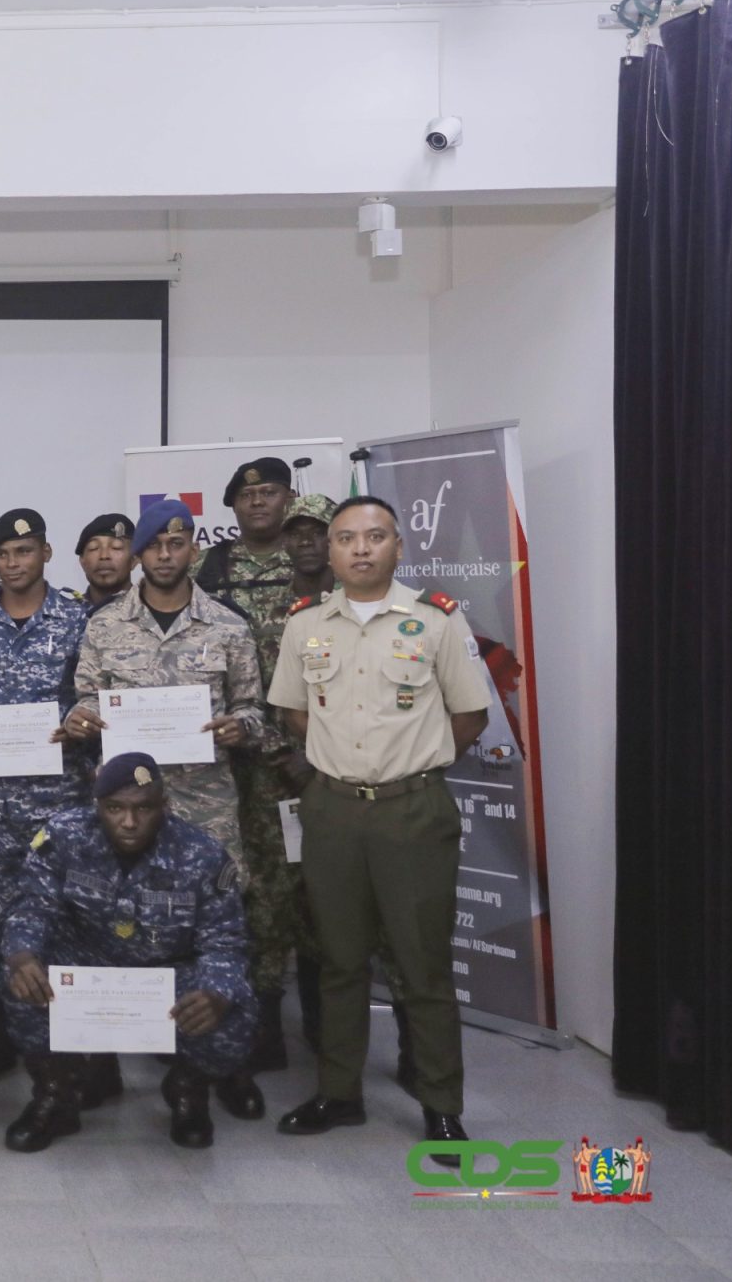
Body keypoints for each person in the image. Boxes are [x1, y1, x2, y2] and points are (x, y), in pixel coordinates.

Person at [269, 496, 489, 1161]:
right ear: (330, 551)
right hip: (333, 810)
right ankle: (339, 1093)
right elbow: (295, 714)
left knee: (422, 966)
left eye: (374, 536)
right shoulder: (305, 624)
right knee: (338, 961)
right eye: (346, 538)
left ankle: (442, 1108)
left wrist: (409, 766)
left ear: (398, 545)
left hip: (412, 812)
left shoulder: (436, 620)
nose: (359, 549)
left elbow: (469, 716)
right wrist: (344, 763)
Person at [0, 753, 262, 1152]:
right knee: (23, 983)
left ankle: (188, 1087)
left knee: (235, 1007)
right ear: (97, 805)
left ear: (164, 805)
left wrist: (216, 993)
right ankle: (56, 1094)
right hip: (86, 963)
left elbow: (225, 941)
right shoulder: (63, 836)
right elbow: (32, 906)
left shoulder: (202, 854)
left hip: (166, 972)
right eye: (114, 808)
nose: (128, 822)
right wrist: (22, 956)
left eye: (143, 808)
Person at [0, 507, 89, 1087]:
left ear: (46, 554)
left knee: (62, 920)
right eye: (3, 555)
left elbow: (93, 693)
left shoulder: (77, 618)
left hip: (60, 804)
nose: (13, 563)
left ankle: (67, 1042)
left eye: (24, 552)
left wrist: (82, 720)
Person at [64, 500, 263, 865]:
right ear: (138, 555)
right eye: (154, 545)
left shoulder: (228, 625)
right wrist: (80, 718)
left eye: (176, 544)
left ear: (194, 550)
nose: (165, 555)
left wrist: (241, 726)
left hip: (205, 798)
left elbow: (251, 707)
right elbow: (90, 696)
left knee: (212, 894)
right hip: (126, 801)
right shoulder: (105, 623)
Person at [239, 490, 338, 1071]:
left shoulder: (357, 608)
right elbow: (250, 692)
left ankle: (327, 1027)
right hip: (268, 782)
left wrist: (317, 760)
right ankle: (266, 1030)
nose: (305, 542)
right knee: (268, 902)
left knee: (327, 901)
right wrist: (283, 753)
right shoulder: (266, 608)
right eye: (296, 533)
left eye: (317, 532)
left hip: (338, 783)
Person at [193, 456, 297, 622]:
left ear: (291, 498)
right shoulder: (201, 566)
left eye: (268, 493)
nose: (257, 502)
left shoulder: (314, 559)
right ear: (234, 506)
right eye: (246, 495)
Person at [72, 513, 137, 618]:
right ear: (82, 561)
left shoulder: (152, 611)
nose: (104, 556)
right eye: (94, 548)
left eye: (116, 547)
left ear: (134, 559)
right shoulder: (65, 616)